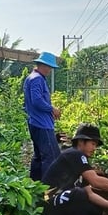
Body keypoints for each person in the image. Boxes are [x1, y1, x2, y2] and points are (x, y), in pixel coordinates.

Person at [23, 51, 62, 181]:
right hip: (42, 124)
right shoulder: (37, 79)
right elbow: (37, 100)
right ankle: (48, 190)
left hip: (35, 122)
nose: (49, 70)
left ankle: (34, 186)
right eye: (48, 67)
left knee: (39, 156)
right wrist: (52, 109)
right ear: (41, 65)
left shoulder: (31, 77)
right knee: (51, 157)